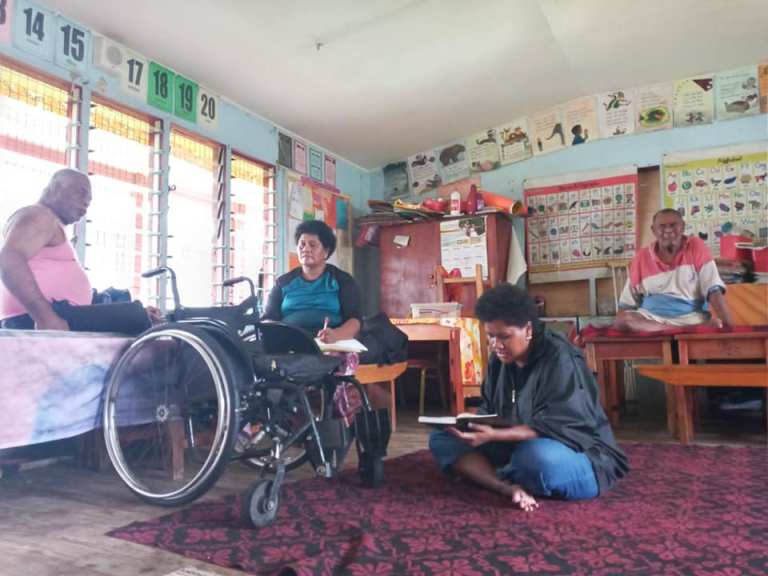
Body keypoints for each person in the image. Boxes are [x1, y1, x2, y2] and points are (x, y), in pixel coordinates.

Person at [429, 284, 628, 511]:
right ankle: (505, 486)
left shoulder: (560, 358)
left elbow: (560, 425)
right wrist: (472, 423)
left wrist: (495, 435)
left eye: (504, 337)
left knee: (535, 459)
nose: (496, 345)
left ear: (528, 330)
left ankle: (500, 472)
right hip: (517, 444)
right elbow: (494, 410)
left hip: (581, 454)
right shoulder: (500, 359)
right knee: (443, 437)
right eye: (491, 336)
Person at [0, 169, 159, 334]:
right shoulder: (40, 216)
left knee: (136, 312)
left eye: (89, 201)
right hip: (38, 318)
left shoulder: (47, 222)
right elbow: (9, 259)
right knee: (137, 317)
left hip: (49, 314)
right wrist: (45, 317)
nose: (85, 204)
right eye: (81, 194)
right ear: (54, 188)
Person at [613, 208, 733, 332]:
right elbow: (626, 304)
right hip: (651, 320)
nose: (668, 230)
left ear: (683, 227)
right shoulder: (641, 257)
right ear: (653, 230)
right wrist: (619, 329)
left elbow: (713, 290)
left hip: (691, 319)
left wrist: (730, 327)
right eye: (662, 226)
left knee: (714, 324)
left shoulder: (696, 247)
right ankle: (678, 330)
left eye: (673, 225)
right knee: (622, 321)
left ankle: (675, 330)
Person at [262, 220, 362, 344]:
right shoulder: (283, 283)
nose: (306, 249)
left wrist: (336, 335)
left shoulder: (342, 280)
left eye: (313, 245)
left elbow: (355, 320)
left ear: (326, 251)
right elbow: (269, 319)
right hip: (289, 344)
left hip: (332, 344)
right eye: (302, 244)